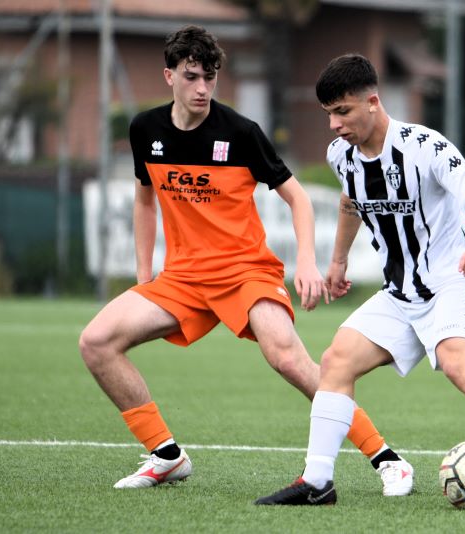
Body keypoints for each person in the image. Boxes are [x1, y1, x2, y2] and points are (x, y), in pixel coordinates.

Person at [78, 28, 413, 496]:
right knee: (95, 342)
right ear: (169, 76)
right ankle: (166, 455)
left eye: (210, 77)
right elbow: (144, 200)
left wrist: (306, 263)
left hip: (245, 273)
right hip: (183, 279)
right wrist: (142, 275)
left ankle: (386, 458)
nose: (202, 88)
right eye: (191, 77)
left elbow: (297, 198)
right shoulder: (145, 130)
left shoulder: (239, 132)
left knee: (288, 359)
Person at [256, 54, 465, 507]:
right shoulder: (341, 154)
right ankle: (318, 482)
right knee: (336, 361)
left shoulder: (426, 147)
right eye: (328, 114)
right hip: (402, 294)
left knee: (456, 361)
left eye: (342, 111)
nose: (334, 125)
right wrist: (338, 261)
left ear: (373, 102)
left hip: (456, 280)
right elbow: (350, 201)